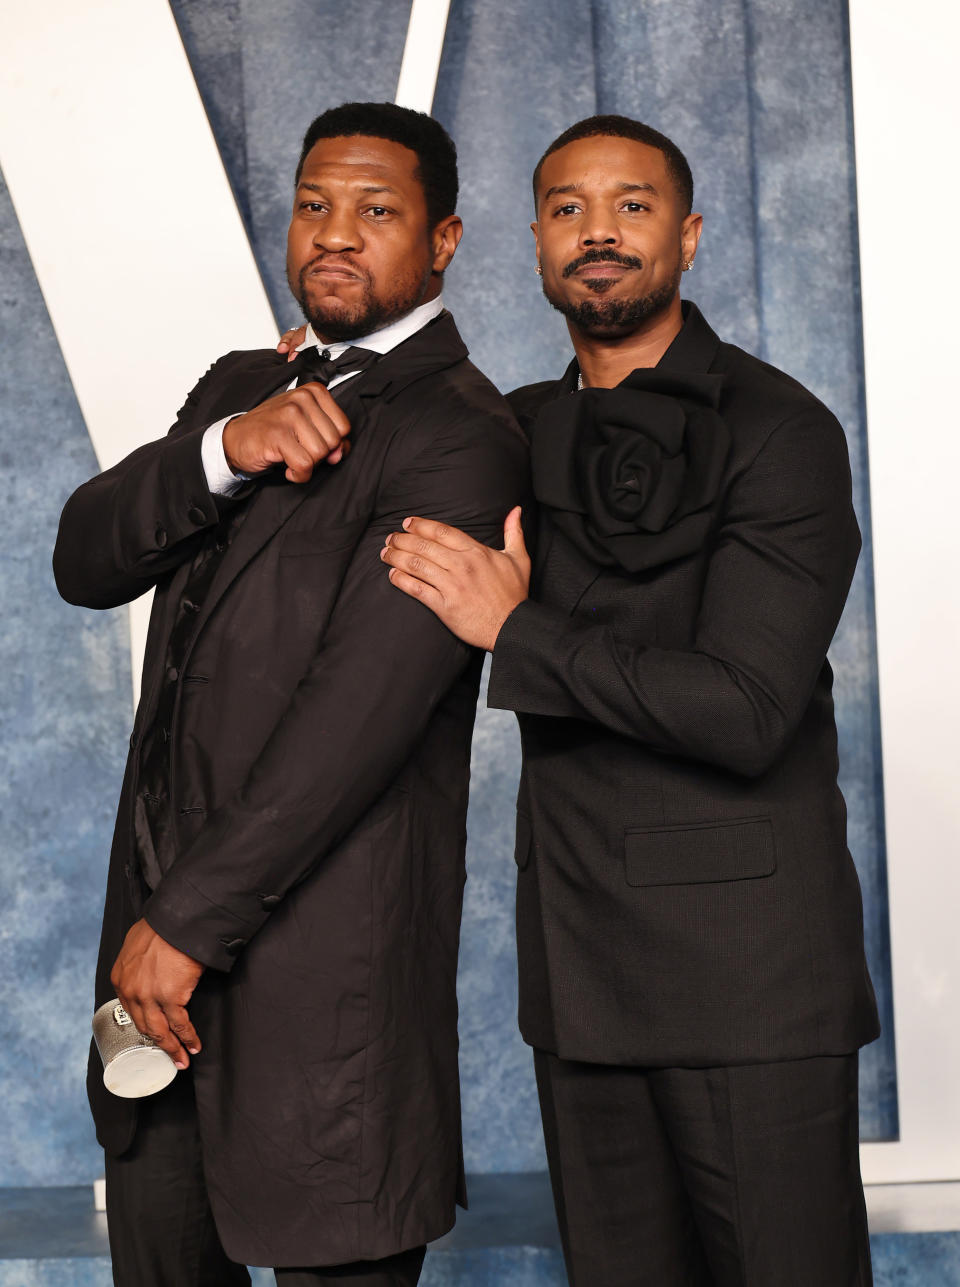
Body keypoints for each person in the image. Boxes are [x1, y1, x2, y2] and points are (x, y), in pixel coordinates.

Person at [380, 114, 879, 1286]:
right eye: (567, 209)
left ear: (692, 235)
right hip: (580, 980)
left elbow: (747, 707)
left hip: (751, 988)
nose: (597, 232)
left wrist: (517, 628)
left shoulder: (782, 430)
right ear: (538, 244)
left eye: (632, 205)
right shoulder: (513, 428)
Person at [53, 101, 526, 1287]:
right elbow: (88, 557)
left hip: (317, 997)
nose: (334, 234)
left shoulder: (461, 434)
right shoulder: (242, 383)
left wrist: (184, 929)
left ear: (445, 240)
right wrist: (227, 446)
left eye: (376, 211)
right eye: (315, 205)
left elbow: (353, 722)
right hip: (155, 995)